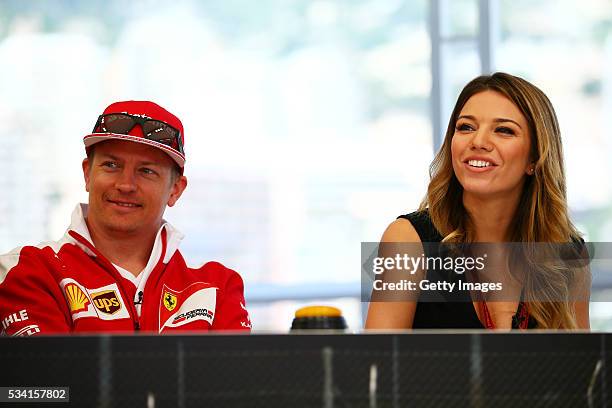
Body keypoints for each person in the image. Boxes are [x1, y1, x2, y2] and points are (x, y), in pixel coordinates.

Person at [0, 101, 252, 335]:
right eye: (111, 165)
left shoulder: (217, 287)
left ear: (175, 189)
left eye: (146, 171)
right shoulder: (29, 271)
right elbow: (52, 381)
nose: (125, 184)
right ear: (88, 174)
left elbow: (237, 382)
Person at [365, 72, 590, 330]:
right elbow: (378, 365)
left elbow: (582, 367)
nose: (478, 142)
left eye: (504, 130)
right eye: (466, 127)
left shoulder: (567, 255)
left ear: (534, 159)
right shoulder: (407, 240)